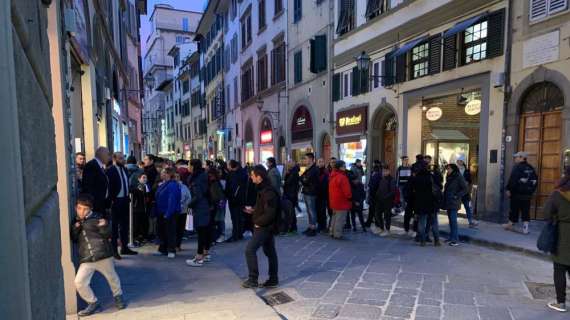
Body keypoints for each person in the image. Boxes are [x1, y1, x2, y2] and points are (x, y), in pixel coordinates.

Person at [71, 194, 125, 316]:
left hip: (102, 255)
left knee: (112, 277)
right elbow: (74, 238)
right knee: (79, 282)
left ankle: (118, 297)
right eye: (79, 208)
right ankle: (93, 302)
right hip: (87, 258)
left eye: (85, 209)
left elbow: (108, 235)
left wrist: (105, 226)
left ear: (90, 209)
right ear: (76, 208)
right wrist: (75, 228)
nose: (81, 211)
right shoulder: (76, 222)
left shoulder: (97, 218)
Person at [241, 165, 280, 289]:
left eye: (252, 175)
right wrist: (254, 211)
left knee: (250, 250)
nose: (251, 178)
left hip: (264, 226)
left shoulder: (268, 191)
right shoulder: (262, 189)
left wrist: (258, 222)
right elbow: (264, 208)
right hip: (265, 225)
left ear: (259, 177)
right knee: (270, 252)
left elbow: (270, 212)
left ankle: (253, 279)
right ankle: (273, 279)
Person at [544, 167, 570, 313]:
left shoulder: (558, 194)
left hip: (563, 235)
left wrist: (556, 218)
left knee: (559, 269)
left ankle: (561, 303)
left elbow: (546, 213)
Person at [106, 152, 137, 258]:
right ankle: (114, 250)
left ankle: (125, 247)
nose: (123, 160)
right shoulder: (110, 171)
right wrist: (112, 200)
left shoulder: (124, 169)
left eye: (123, 158)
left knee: (125, 226)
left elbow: (126, 183)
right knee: (114, 227)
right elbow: (109, 187)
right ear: (114, 158)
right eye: (120, 158)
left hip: (124, 200)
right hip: (116, 201)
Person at [504, 151, 538, 234]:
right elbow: (535, 181)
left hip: (517, 193)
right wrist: (531, 191)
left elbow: (513, 180)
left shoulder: (517, 167)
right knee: (526, 211)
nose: (515, 158)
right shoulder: (531, 167)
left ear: (522, 158)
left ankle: (510, 224)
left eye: (516, 157)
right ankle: (525, 229)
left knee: (514, 209)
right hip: (527, 195)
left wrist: (508, 189)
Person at [186, 159, 212, 267]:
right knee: (205, 231)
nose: (188, 167)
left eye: (189, 165)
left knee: (201, 231)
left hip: (201, 207)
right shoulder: (203, 175)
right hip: (205, 206)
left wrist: (189, 204)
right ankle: (205, 254)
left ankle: (199, 257)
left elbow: (198, 195)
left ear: (193, 166)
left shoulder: (197, 178)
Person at [409, 162, 440, 247]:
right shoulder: (431, 177)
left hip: (420, 203)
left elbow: (412, 191)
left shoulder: (416, 178)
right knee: (434, 222)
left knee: (422, 222)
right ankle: (437, 241)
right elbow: (438, 188)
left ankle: (422, 241)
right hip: (432, 203)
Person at [154, 167, 181, 258]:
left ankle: (171, 249)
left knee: (170, 231)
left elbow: (172, 200)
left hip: (169, 212)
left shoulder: (172, 185)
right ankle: (164, 248)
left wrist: (168, 213)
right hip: (163, 211)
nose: (161, 174)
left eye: (163, 172)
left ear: (168, 174)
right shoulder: (165, 184)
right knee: (163, 231)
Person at [443, 164, 467, 247]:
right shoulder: (449, 177)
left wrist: (457, 195)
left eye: (449, 169)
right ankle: (451, 237)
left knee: (453, 221)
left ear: (453, 169)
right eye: (447, 169)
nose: (447, 170)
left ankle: (455, 239)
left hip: (454, 201)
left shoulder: (458, 177)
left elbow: (465, 189)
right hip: (448, 201)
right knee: (450, 221)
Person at [82, 147, 111, 215]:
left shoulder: (100, 167)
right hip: (95, 207)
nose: (109, 157)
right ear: (102, 154)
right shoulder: (91, 166)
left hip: (101, 205)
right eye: (108, 154)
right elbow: (88, 188)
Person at [328, 160, 352, 239]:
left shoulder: (332, 175)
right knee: (340, 219)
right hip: (342, 201)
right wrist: (350, 197)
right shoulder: (342, 177)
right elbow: (347, 191)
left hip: (334, 200)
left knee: (334, 217)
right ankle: (337, 234)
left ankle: (332, 232)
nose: (345, 167)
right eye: (343, 166)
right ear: (340, 167)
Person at [226, 160, 248, 242]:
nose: (227, 167)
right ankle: (239, 233)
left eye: (228, 165)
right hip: (241, 199)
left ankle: (235, 235)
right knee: (240, 217)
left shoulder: (232, 175)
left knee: (235, 218)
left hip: (234, 199)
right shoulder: (243, 172)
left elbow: (231, 188)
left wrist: (229, 196)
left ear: (231, 166)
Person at [300, 153, 319, 236]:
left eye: (306, 158)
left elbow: (306, 180)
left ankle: (313, 228)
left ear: (311, 159)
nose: (305, 160)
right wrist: (303, 178)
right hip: (307, 191)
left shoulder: (314, 169)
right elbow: (302, 177)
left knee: (312, 211)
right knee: (309, 211)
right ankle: (310, 226)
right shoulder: (308, 168)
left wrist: (303, 179)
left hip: (311, 192)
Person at [456, 156, 478, 228]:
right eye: (458, 161)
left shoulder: (466, 170)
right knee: (455, 207)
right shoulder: (455, 170)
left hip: (464, 192)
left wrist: (466, 183)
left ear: (463, 162)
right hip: (457, 191)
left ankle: (470, 221)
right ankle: (453, 221)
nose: (459, 162)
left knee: (467, 207)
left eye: (461, 161)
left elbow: (469, 180)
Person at [375, 166, 397, 236]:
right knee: (377, 214)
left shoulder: (391, 180)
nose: (384, 172)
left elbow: (393, 191)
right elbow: (379, 188)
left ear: (389, 171)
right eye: (383, 171)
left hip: (388, 201)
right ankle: (381, 228)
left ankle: (387, 230)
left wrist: (385, 197)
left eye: (385, 171)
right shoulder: (382, 179)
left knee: (387, 216)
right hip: (380, 200)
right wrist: (377, 195)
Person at [208, 168, 227, 243]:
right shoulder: (215, 183)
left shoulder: (215, 183)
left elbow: (219, 195)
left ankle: (222, 235)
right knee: (218, 220)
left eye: (210, 175)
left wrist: (220, 204)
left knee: (220, 219)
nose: (209, 177)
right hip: (218, 203)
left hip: (218, 203)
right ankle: (220, 235)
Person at [131, 174, 150, 245]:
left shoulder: (147, 186)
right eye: (143, 177)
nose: (145, 179)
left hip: (144, 208)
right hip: (137, 208)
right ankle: (135, 238)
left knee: (143, 224)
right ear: (139, 179)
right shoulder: (137, 186)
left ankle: (142, 237)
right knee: (136, 224)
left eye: (146, 178)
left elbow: (148, 197)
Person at [396, 156, 413, 235]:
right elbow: (397, 177)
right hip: (401, 185)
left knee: (407, 198)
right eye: (404, 160)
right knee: (402, 198)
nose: (405, 161)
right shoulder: (399, 168)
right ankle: (403, 209)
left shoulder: (410, 168)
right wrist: (397, 185)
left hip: (408, 185)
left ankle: (406, 208)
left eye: (406, 160)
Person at [283, 161, 300, 233]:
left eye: (287, 165)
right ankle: (293, 227)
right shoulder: (293, 172)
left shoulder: (293, 172)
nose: (286, 166)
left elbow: (288, 183)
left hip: (291, 194)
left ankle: (293, 228)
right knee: (291, 211)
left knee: (291, 212)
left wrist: (285, 178)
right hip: (291, 193)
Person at [176, 173, 191, 251]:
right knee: (173, 229)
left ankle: (178, 245)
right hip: (173, 211)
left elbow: (189, 197)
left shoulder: (184, 187)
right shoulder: (169, 186)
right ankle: (172, 245)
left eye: (178, 176)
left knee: (180, 229)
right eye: (175, 177)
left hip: (183, 211)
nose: (176, 178)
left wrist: (184, 205)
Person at [316, 158, 330, 232]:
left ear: (324, 163)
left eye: (322, 162)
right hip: (317, 194)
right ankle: (319, 225)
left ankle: (323, 226)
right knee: (318, 211)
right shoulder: (316, 171)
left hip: (324, 194)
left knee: (323, 211)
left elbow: (327, 183)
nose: (320, 163)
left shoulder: (326, 171)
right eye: (319, 162)